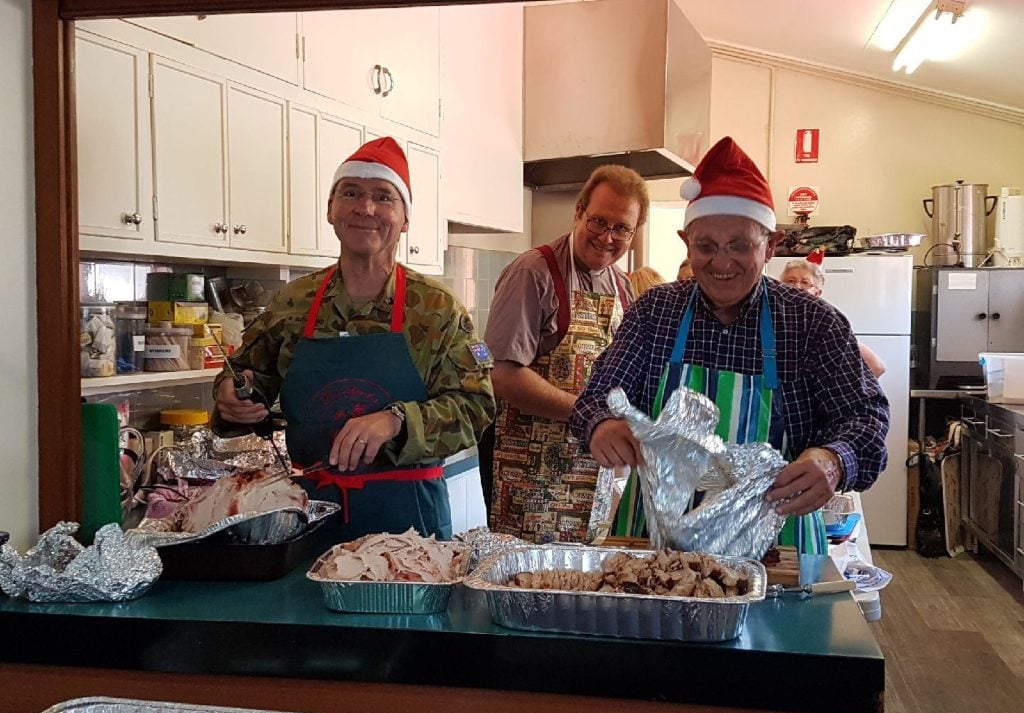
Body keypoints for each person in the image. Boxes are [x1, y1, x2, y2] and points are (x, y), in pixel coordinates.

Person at [571, 137, 889, 554]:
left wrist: (833, 461)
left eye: (740, 245)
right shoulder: (655, 313)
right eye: (706, 246)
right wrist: (602, 425)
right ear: (687, 242)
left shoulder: (812, 323)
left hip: (778, 546)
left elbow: (865, 417)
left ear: (771, 245)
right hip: (656, 546)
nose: (721, 263)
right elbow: (595, 398)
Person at [214, 137, 495, 542]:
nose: (366, 208)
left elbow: (476, 407)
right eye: (351, 193)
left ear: (405, 218)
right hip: (305, 518)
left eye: (383, 196)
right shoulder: (293, 302)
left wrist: (396, 420)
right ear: (331, 210)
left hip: (410, 527)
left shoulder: (437, 309)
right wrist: (231, 397)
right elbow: (246, 375)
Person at [484, 165, 648, 544]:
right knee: (529, 589)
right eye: (598, 221)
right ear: (578, 213)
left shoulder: (623, 288)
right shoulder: (535, 272)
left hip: (597, 480)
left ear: (634, 232)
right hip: (533, 479)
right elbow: (503, 372)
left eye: (621, 227)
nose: (608, 237)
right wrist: (587, 417)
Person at [778, 253, 887, 378]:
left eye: (805, 282)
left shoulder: (826, 323)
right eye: (790, 281)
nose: (797, 287)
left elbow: (876, 367)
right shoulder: (771, 319)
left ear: (817, 293)